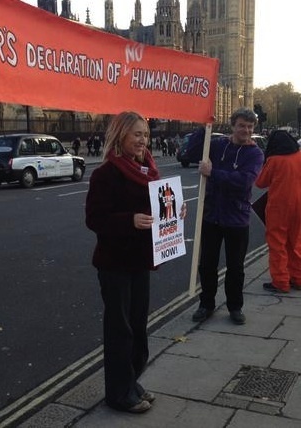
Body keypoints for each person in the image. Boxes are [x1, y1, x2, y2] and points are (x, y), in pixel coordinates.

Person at [85, 111, 186, 414]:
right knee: (121, 330)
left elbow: (158, 210)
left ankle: (131, 381)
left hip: (141, 260)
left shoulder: (148, 170)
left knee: (139, 328)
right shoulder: (106, 174)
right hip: (114, 264)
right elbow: (94, 219)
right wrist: (129, 220)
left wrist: (175, 213)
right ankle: (118, 394)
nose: (143, 140)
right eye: (137, 135)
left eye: (145, 134)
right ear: (121, 136)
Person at [188, 107, 264, 325]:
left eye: (250, 127)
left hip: (237, 219)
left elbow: (243, 182)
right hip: (212, 215)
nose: (246, 130)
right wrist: (204, 127)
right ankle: (206, 304)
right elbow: (192, 152)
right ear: (233, 126)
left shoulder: (255, 154)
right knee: (207, 265)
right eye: (242, 125)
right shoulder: (219, 145)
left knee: (236, 267)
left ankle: (235, 306)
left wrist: (213, 173)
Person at [255, 130, 301, 293]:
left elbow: (260, 183)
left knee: (277, 244)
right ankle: (297, 277)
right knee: (295, 242)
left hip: (278, 207)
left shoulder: (274, 160)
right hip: (298, 206)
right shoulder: (299, 156)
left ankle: (281, 281)